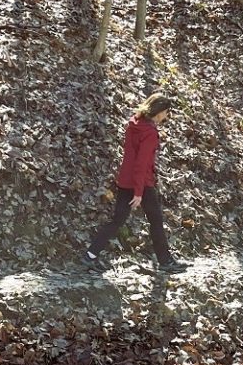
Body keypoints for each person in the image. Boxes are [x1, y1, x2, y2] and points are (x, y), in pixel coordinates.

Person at [81, 93, 189, 273]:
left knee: (117, 220)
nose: (167, 116)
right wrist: (139, 192)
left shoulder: (134, 124)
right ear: (159, 111)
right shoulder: (150, 133)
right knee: (156, 220)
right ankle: (165, 261)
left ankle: (90, 255)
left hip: (125, 179)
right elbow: (141, 163)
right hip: (142, 183)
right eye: (166, 112)